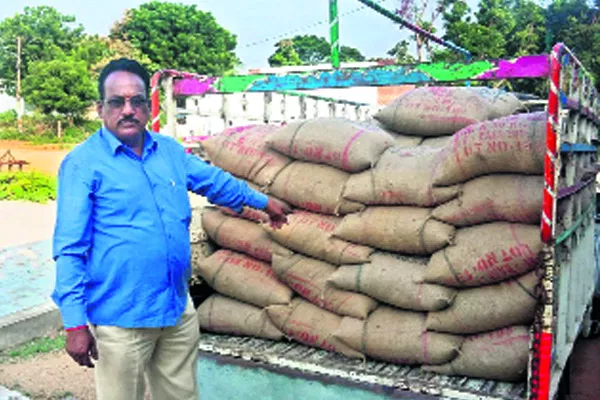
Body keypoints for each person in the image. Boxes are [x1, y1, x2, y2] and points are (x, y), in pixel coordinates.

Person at [51, 58, 290, 400]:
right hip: (122, 319)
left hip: (176, 310)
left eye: (137, 101)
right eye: (117, 102)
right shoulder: (82, 164)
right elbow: (70, 249)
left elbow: (214, 181)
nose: (128, 110)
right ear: (101, 108)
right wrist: (74, 323)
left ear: (148, 107)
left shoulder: (169, 152)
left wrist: (263, 203)